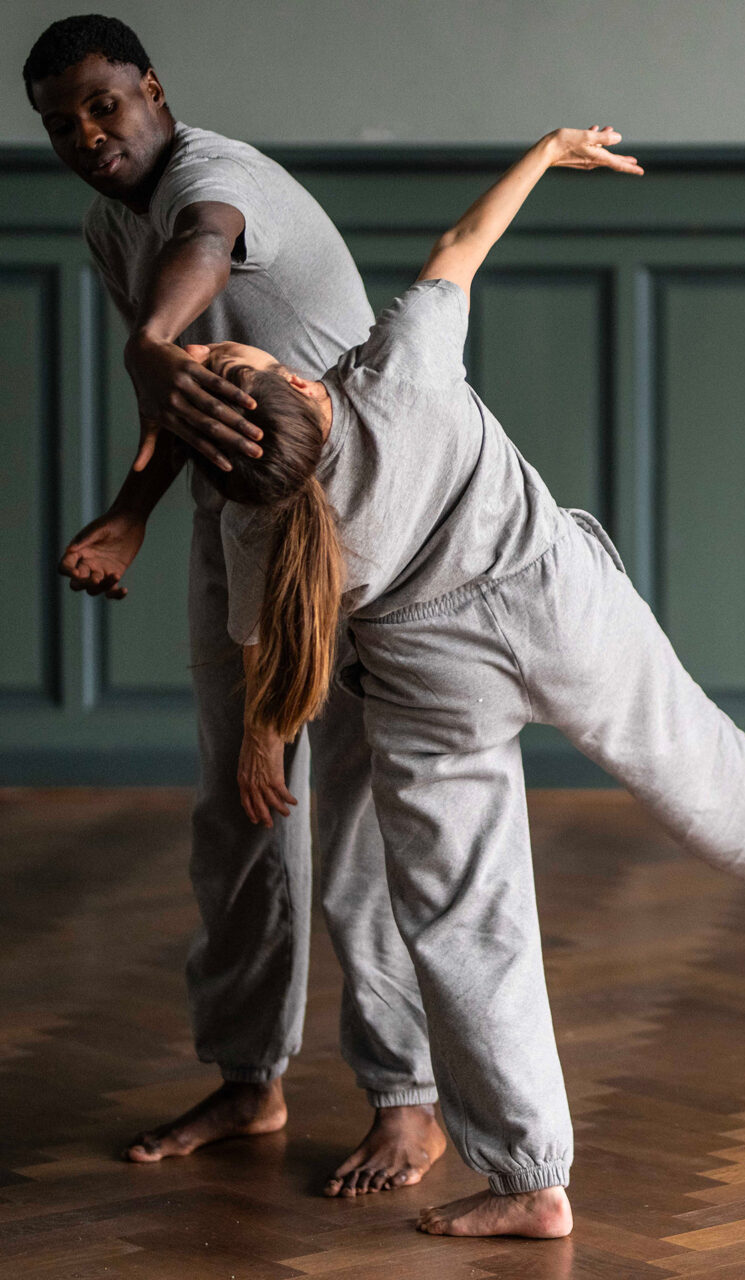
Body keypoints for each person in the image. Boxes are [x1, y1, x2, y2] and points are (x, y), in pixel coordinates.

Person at [184, 125, 745, 1238]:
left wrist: (255, 743)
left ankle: (532, 1177)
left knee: (464, 920)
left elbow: (265, 656)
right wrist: (545, 151)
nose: (206, 356)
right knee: (682, 745)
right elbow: (461, 241)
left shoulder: (254, 516)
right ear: (292, 375)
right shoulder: (396, 373)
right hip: (549, 600)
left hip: (428, 675)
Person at [25, 13, 448, 1194]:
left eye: (104, 104)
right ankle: (249, 1074)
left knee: (356, 820)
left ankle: (406, 1097)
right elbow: (192, 400)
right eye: (59, 123)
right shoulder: (111, 221)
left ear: (152, 90)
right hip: (236, 506)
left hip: (355, 513)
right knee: (243, 808)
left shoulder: (215, 179)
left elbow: (203, 254)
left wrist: (150, 341)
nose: (86, 134)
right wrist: (133, 510)